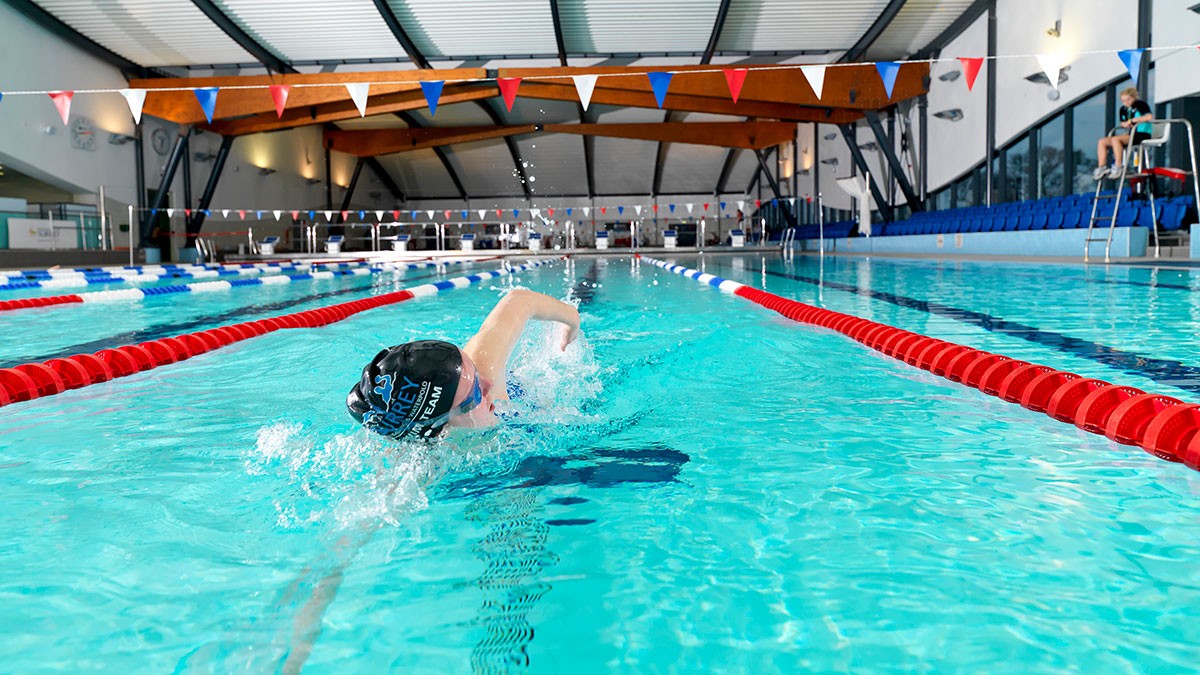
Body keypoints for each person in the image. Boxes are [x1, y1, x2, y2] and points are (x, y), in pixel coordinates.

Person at [347, 289, 581, 441]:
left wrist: (572, 319)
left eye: (475, 373)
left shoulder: (485, 365)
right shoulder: (416, 474)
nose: (490, 384)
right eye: (475, 394)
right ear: (441, 430)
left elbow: (518, 300)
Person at [1094, 87, 1153, 180]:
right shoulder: (1123, 109)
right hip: (1131, 134)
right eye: (1124, 100)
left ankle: (1118, 165)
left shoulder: (1140, 105)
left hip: (1142, 133)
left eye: (1129, 99)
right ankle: (1102, 166)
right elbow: (1123, 122)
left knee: (1116, 139)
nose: (1127, 102)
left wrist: (1134, 120)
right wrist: (1126, 124)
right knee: (1102, 141)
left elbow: (1149, 117)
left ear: (1134, 97)